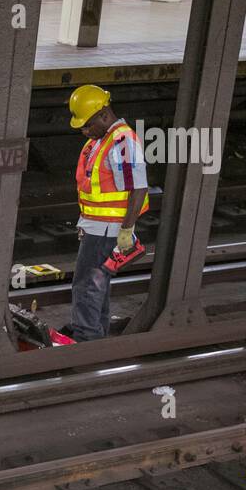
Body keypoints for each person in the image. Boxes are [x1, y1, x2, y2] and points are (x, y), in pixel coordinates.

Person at [67, 85, 148, 341]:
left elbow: (138, 188)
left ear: (104, 115)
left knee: (88, 287)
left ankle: (86, 340)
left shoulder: (122, 142)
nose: (84, 130)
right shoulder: (103, 140)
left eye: (88, 125)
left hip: (107, 231)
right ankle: (95, 339)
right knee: (96, 287)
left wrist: (126, 230)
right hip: (97, 227)